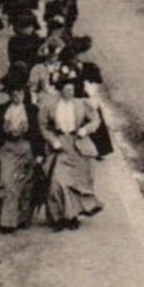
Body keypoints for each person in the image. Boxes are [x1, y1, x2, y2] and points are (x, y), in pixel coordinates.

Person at [0, 80, 46, 233]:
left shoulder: (32, 110)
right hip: (8, 149)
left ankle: (22, 218)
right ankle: (6, 222)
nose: (18, 97)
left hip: (27, 149)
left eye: (21, 94)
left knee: (25, 184)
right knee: (7, 182)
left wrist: (39, 154)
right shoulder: (2, 110)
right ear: (10, 95)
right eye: (15, 94)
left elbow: (38, 134)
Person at [40, 81, 105, 230]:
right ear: (60, 91)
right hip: (60, 145)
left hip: (78, 145)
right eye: (67, 89)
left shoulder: (81, 104)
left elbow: (96, 119)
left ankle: (72, 217)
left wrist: (86, 129)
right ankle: (57, 218)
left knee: (75, 184)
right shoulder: (51, 106)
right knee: (56, 182)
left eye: (72, 89)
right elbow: (43, 126)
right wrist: (53, 140)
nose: (70, 92)